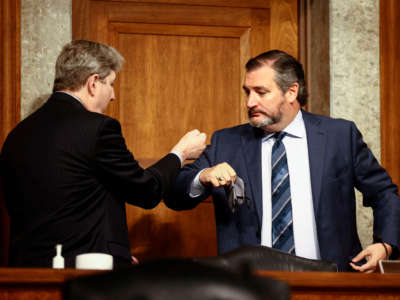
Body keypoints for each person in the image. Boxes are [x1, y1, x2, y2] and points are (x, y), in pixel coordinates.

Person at [165, 49, 400, 272]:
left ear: (291, 91)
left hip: (331, 281)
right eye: (247, 92)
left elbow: (383, 192)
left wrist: (386, 244)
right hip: (250, 286)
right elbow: (175, 195)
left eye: (261, 92)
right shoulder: (228, 142)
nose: (250, 102)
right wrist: (202, 177)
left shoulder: (339, 136)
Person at [0, 40, 206, 268]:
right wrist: (181, 152)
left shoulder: (16, 136)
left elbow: (65, 205)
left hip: (23, 276)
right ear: (93, 83)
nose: (113, 96)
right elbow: (147, 190)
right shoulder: (98, 128)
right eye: (111, 84)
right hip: (84, 277)